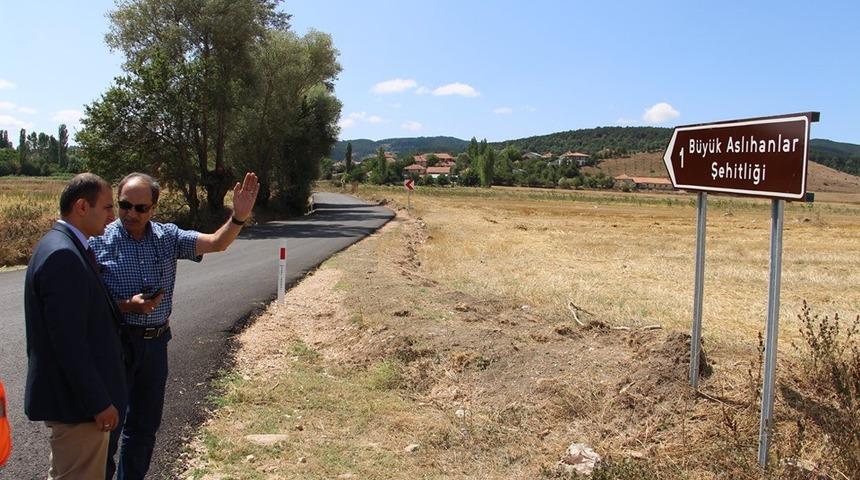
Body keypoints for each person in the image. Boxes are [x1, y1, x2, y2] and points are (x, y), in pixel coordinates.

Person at [92, 171, 258, 479]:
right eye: (124, 205)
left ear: (153, 209)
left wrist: (238, 217)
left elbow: (217, 243)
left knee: (143, 429)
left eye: (140, 208)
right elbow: (86, 303)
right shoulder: (98, 239)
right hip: (115, 345)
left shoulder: (168, 237)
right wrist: (127, 306)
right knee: (107, 429)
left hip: (155, 345)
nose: (131, 214)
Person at [23, 173, 127, 479]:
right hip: (78, 410)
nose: (113, 216)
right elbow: (69, 343)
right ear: (82, 207)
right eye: (107, 207)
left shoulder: (63, 246)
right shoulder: (63, 255)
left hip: (76, 406)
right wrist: (98, 402)